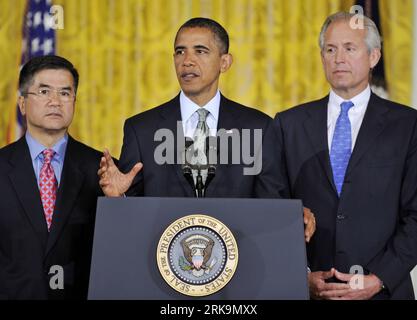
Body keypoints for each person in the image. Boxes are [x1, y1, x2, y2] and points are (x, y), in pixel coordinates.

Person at [98, 17, 315, 240]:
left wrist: (290, 216)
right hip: (161, 263)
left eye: (200, 51)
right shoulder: (141, 129)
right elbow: (130, 220)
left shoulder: (259, 127)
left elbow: (272, 207)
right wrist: (119, 198)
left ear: (225, 62)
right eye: (180, 52)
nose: (187, 61)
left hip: (239, 263)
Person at [274, 12, 417, 299]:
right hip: (309, 291)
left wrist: (379, 279)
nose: (338, 58)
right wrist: (300, 277)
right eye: (330, 49)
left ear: (374, 56)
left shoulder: (408, 125)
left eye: (349, 48)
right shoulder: (287, 124)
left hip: (384, 292)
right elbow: (271, 206)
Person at [0, 55, 103, 299]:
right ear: (22, 103)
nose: (55, 101)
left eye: (65, 93)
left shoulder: (102, 169)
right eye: (44, 91)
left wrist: (119, 200)